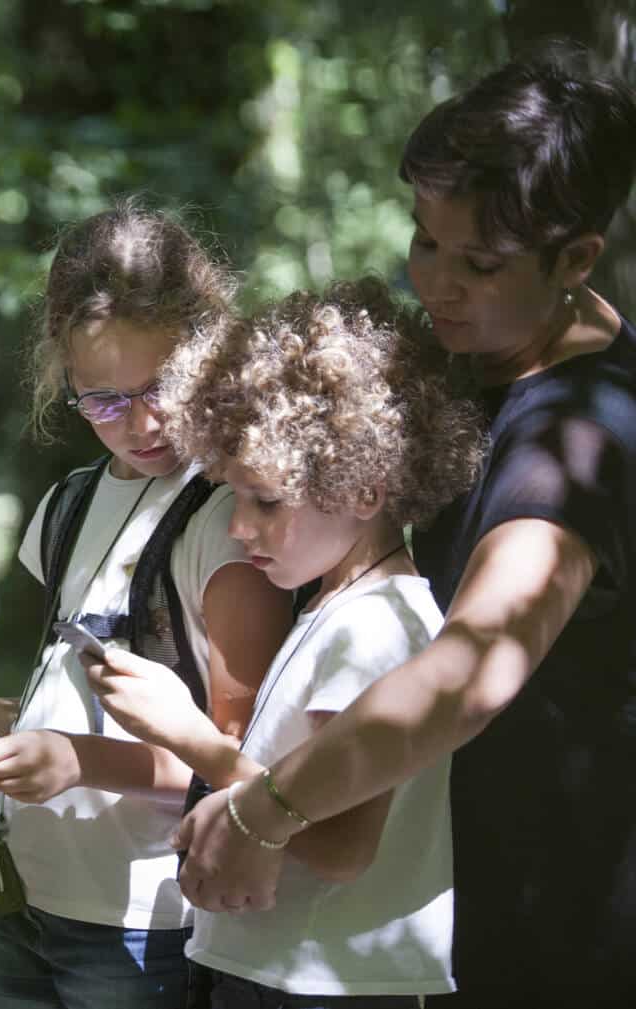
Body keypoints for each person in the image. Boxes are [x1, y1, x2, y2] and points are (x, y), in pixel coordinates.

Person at [168, 48, 636, 1007]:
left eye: (480, 263)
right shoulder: (483, 351)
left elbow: (474, 669)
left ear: (577, 258)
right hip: (438, 917)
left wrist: (265, 808)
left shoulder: (575, 437)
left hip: (561, 923)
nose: (438, 283)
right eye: (425, 241)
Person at [0, 202, 294, 1008]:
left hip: (144, 924)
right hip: (23, 902)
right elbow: (57, 710)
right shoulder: (70, 506)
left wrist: (78, 760)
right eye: (102, 401)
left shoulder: (232, 519)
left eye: (161, 387)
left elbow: (238, 763)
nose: (139, 423)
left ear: (211, 353)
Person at [87, 280, 486, 1007]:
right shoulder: (334, 609)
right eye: (234, 496)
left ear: (364, 489)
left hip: (318, 985)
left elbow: (342, 846)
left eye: (265, 500)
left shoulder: (376, 628)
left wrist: (189, 735)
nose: (239, 527)